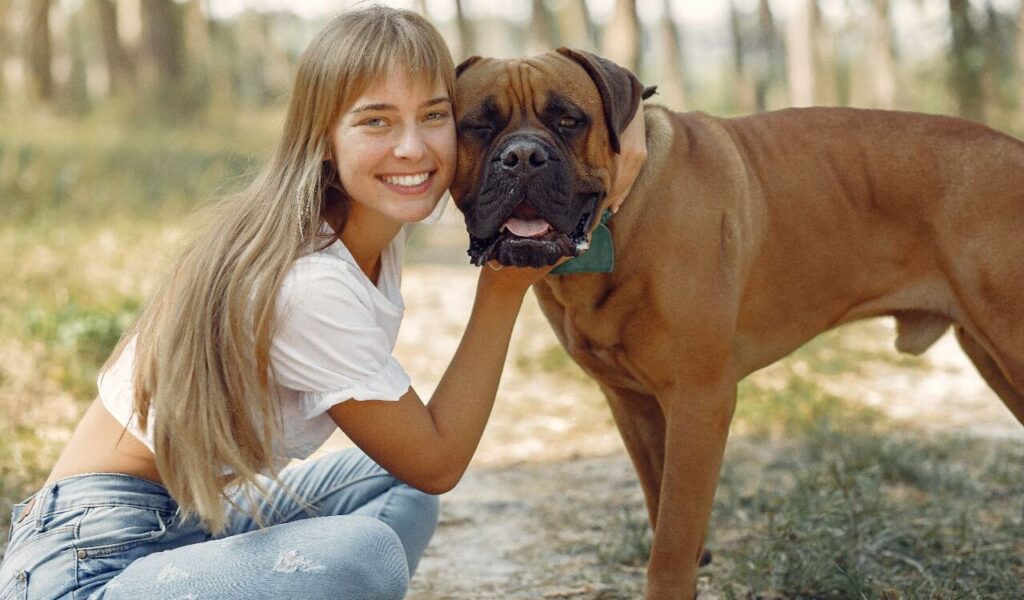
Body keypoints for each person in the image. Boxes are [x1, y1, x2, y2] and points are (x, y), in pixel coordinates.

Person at [0, 6, 646, 599]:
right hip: (87, 566)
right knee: (361, 553)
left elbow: (601, 113)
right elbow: (441, 460)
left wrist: (628, 127)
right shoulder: (307, 283)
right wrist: (502, 290)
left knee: (397, 489)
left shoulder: (363, 217)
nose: (412, 148)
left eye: (433, 116)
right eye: (375, 121)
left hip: (196, 522)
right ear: (324, 139)